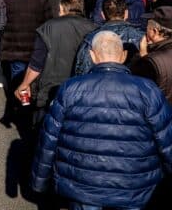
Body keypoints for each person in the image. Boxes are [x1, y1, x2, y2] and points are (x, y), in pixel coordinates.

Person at [31, 31, 172, 210]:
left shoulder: (71, 88)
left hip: (82, 185)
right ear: (123, 56)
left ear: (92, 56)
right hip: (133, 186)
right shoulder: (148, 90)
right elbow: (167, 140)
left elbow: (49, 139)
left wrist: (40, 181)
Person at [14, 0, 96, 127]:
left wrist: (25, 84)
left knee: (45, 128)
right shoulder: (94, 28)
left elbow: (37, 62)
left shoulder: (48, 27)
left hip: (51, 89)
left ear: (62, 8)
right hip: (83, 90)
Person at [0, 0, 52, 126]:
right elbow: (48, 23)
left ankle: (22, 110)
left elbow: (2, 24)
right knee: (33, 80)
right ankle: (28, 110)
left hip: (15, 47)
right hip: (36, 47)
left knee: (18, 79)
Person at [74, 0, 145, 76]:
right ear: (126, 13)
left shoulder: (91, 39)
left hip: (98, 82)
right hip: (133, 83)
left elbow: (81, 72)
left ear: (103, 15)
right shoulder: (141, 37)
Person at [131, 6, 172, 104]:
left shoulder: (151, 61)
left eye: (147, 28)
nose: (145, 32)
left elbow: (137, 90)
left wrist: (142, 56)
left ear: (155, 32)